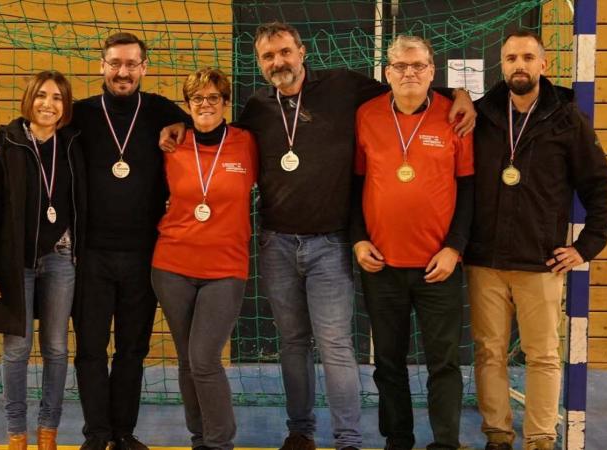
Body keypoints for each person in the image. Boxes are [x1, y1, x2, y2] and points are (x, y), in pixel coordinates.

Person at [160, 21, 475, 450]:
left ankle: (347, 439)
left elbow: (408, 85)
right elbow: (213, 129)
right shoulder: (255, 108)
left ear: (302, 51)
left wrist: (460, 95)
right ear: (260, 63)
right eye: (269, 56)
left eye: (285, 52)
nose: (279, 62)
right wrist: (177, 124)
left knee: (335, 345)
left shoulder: (344, 87)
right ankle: (300, 431)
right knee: (292, 343)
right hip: (276, 242)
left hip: (330, 243)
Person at [0, 33, 192, 450]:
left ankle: (123, 433)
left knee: (133, 349)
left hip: (144, 253)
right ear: (101, 66)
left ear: (144, 68)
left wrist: (181, 124)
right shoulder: (81, 115)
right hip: (89, 255)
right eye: (115, 63)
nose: (123, 71)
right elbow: (34, 125)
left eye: (131, 64)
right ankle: (96, 434)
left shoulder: (162, 110)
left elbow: (200, 122)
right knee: (89, 349)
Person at [466, 30, 607, 450]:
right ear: (502, 64)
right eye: (512, 57)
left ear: (544, 65)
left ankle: (539, 439)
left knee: (544, 356)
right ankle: (498, 435)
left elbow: (601, 187)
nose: (520, 64)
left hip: (541, 263)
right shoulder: (482, 115)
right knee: (489, 354)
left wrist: (585, 247)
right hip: (485, 262)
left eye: (528, 57)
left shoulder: (567, 118)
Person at [351, 35, 474, 450]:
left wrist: (454, 247)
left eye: (418, 65)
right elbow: (354, 185)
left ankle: (445, 443)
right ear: (386, 72)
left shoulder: (456, 117)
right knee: (388, 363)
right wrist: (358, 239)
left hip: (438, 265)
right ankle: (397, 440)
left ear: (431, 71)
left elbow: (468, 189)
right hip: (382, 264)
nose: (409, 73)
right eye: (401, 66)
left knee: (444, 363)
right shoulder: (366, 115)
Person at [0, 70, 86, 450]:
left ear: (65, 106)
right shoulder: (4, 142)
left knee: (56, 347)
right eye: (41, 95)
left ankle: (47, 433)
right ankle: (16, 435)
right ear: (28, 99)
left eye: (57, 97)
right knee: (17, 349)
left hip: (61, 257)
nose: (48, 104)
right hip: (14, 260)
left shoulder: (73, 142)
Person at [151, 67, 257, 450]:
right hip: (172, 266)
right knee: (186, 361)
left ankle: (218, 443)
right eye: (198, 99)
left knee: (204, 359)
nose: (206, 105)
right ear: (188, 106)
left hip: (225, 269)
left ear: (226, 103)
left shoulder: (247, 143)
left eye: (214, 98)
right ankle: (200, 439)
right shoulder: (172, 144)